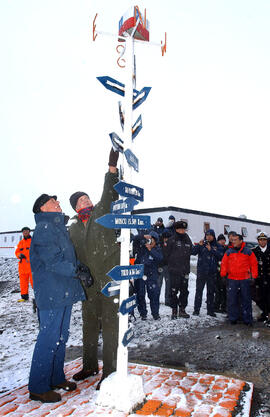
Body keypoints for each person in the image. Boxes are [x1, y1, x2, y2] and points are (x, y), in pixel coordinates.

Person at [68, 148, 120, 389]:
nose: (86, 200)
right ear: (75, 208)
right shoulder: (73, 228)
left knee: (110, 327)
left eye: (87, 197)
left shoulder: (102, 212)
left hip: (109, 280)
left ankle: (109, 372)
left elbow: (108, 191)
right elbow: (70, 255)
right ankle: (89, 366)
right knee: (89, 327)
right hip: (88, 287)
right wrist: (79, 270)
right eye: (81, 200)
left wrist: (111, 165)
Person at [28, 194, 87, 403]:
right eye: (54, 202)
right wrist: (76, 271)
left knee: (61, 336)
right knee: (49, 338)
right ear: (43, 208)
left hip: (62, 290)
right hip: (51, 292)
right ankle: (38, 386)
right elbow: (53, 261)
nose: (59, 204)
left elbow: (67, 256)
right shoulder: (45, 229)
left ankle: (55, 378)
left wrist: (79, 267)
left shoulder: (57, 227)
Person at [220, 233, 258, 325]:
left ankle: (247, 319)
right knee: (232, 300)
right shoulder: (229, 252)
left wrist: (253, 276)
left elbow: (254, 264)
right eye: (232, 240)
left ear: (241, 241)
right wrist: (223, 275)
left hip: (245, 280)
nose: (233, 242)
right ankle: (233, 318)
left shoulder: (248, 252)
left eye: (235, 240)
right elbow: (224, 264)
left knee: (246, 300)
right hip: (232, 280)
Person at [163, 221, 193, 319]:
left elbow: (192, 251)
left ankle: (182, 310)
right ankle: (174, 310)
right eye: (180, 229)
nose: (182, 231)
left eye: (184, 229)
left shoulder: (188, 239)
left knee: (184, 291)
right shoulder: (171, 240)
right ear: (176, 229)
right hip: (174, 271)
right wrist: (173, 264)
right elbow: (166, 255)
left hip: (185, 271)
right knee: (173, 291)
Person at [192, 229, 223, 317]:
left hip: (212, 272)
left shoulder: (217, 245)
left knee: (211, 292)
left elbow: (221, 256)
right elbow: (193, 252)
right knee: (199, 291)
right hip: (202, 272)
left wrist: (211, 250)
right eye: (207, 235)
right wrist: (198, 245)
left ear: (213, 236)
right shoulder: (202, 244)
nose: (208, 237)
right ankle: (196, 310)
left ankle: (210, 310)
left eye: (210, 235)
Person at [133, 230, 163, 320]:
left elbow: (160, 258)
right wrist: (143, 236)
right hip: (140, 275)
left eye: (152, 240)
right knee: (140, 294)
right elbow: (134, 238)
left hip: (152, 275)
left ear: (156, 241)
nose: (150, 241)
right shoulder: (141, 247)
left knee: (154, 295)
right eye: (149, 239)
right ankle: (143, 314)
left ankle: (155, 314)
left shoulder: (157, 249)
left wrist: (151, 250)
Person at [252, 232, 270, 325]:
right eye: (260, 240)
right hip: (259, 278)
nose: (262, 241)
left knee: (269, 297)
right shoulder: (254, 251)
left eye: (264, 240)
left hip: (269, 278)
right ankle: (264, 314)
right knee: (260, 297)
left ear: (266, 241)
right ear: (258, 241)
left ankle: (269, 315)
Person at [15, 227, 33, 302]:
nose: (25, 232)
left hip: (31, 266)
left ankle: (39, 297)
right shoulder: (21, 243)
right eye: (24, 231)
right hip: (22, 267)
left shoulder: (33, 242)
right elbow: (16, 252)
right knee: (23, 283)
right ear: (22, 233)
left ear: (29, 232)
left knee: (34, 282)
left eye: (26, 231)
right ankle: (24, 297)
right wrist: (19, 255)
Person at [214, 234, 227, 313]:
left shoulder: (226, 248)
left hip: (224, 272)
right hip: (217, 272)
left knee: (224, 290)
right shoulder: (216, 248)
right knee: (217, 290)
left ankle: (223, 306)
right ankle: (216, 305)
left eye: (223, 240)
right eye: (220, 240)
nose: (222, 241)